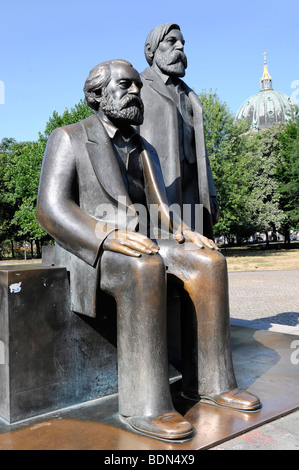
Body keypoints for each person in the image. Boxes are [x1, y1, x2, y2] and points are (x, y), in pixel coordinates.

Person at [37, 59, 260, 442]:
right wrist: (105, 235)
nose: (137, 92)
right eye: (126, 85)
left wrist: (184, 231)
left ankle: (211, 383)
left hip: (141, 242)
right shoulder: (69, 137)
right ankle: (147, 406)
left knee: (208, 262)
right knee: (145, 267)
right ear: (97, 95)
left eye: (139, 85)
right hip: (89, 246)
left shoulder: (144, 148)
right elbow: (51, 208)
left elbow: (163, 210)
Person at [139, 23, 220, 239]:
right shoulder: (137, 87)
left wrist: (210, 192)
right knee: (162, 247)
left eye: (183, 42)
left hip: (192, 186)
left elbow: (202, 152)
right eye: (172, 41)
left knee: (196, 247)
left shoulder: (190, 95)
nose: (181, 47)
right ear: (150, 50)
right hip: (159, 186)